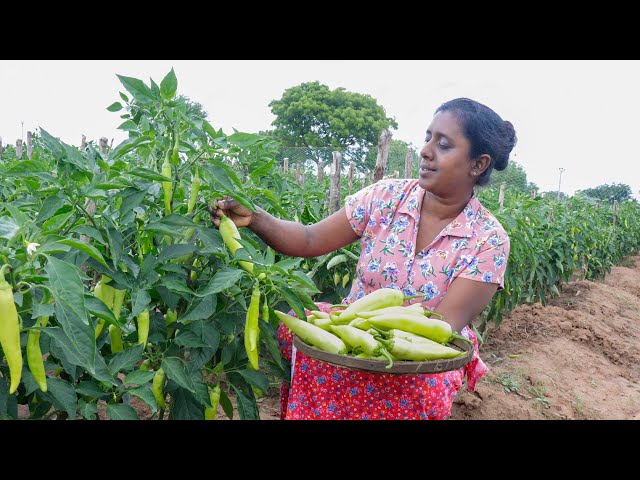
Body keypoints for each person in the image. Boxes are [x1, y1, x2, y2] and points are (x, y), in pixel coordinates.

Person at [210, 97, 516, 420]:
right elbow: (310, 238)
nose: (426, 151)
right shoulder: (386, 197)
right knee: (312, 349)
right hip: (351, 330)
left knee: (421, 387)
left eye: (443, 144)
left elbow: (438, 328)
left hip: (420, 357)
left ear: (478, 164)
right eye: (428, 138)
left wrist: (358, 335)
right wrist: (256, 218)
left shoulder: (488, 240)